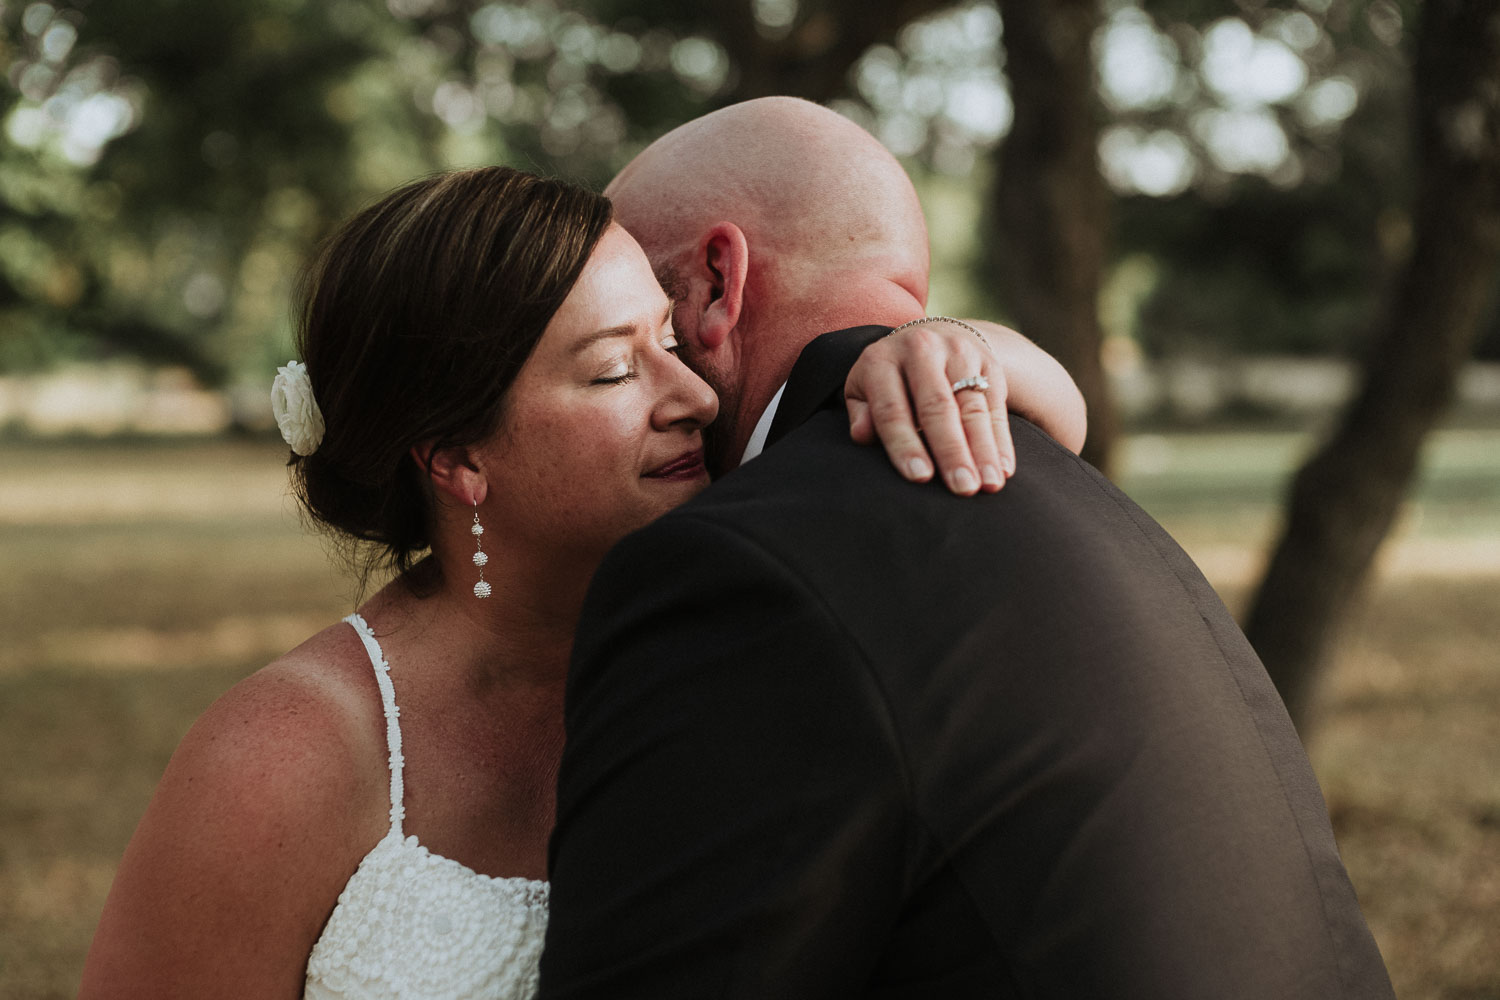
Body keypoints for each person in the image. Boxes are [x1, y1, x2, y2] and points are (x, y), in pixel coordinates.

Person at [78, 166, 1085, 998]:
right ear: (457, 457)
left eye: (672, 340)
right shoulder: (283, 756)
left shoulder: (749, 636)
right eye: (614, 371)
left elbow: (1044, 438)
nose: (693, 394)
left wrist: (953, 348)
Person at [537, 97, 1397, 998]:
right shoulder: (1081, 501)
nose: (652, 376)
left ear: (717, 282)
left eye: (652, 325)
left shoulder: (741, 566)